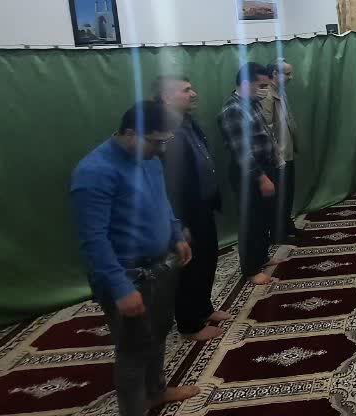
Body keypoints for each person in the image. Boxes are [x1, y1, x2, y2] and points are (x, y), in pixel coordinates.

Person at [69, 101, 199, 416]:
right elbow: (93, 240)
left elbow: (162, 202)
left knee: (158, 334)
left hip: (160, 267)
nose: (161, 149)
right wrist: (120, 287)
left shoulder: (149, 159)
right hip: (127, 277)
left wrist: (175, 234)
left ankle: (156, 392)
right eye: (155, 141)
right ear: (130, 133)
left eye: (165, 141)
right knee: (132, 351)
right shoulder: (94, 172)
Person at [153, 75, 229, 341]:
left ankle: (204, 309)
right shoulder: (163, 130)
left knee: (207, 259)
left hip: (202, 207)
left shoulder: (188, 122)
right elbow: (169, 183)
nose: (193, 93)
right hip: (185, 213)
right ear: (166, 97)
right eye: (186, 90)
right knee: (189, 268)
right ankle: (190, 325)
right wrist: (179, 223)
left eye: (192, 88)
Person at [217, 62, 282, 285]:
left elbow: (264, 135)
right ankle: (251, 269)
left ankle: (261, 257)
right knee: (251, 221)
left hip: (264, 167)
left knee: (263, 218)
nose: (265, 89)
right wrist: (261, 177)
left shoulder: (251, 104)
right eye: (261, 85)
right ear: (245, 84)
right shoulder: (233, 109)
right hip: (249, 173)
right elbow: (242, 151)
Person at [263, 59, 299, 238]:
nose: (291, 77)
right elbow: (267, 129)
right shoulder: (268, 96)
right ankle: (278, 232)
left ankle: (286, 225)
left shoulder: (280, 92)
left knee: (288, 194)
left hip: (287, 153)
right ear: (275, 74)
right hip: (278, 157)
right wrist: (276, 155)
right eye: (287, 74)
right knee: (280, 196)